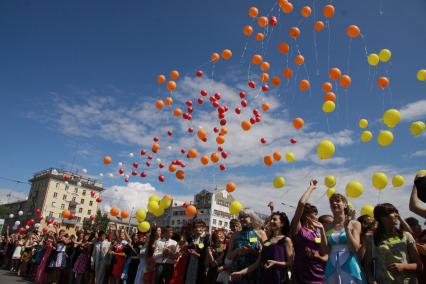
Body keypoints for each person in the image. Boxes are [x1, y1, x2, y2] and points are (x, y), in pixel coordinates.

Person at [365, 203, 423, 284]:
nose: (397, 215)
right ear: (382, 217)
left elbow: (419, 266)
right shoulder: (371, 239)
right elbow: (367, 265)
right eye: (392, 212)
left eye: (396, 212)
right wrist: (371, 280)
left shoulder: (406, 236)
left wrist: (404, 266)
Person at [231, 211, 294, 283]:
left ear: (282, 224)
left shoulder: (286, 240)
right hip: (264, 278)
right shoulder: (267, 242)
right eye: (271, 219)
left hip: (278, 278)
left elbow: (290, 263)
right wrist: (240, 272)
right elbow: (257, 263)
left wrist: (275, 263)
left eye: (274, 219)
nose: (271, 221)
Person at [322, 193, 366, 283]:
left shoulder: (354, 224)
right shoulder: (326, 226)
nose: (334, 203)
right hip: (332, 265)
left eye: (337, 201)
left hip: (350, 264)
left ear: (345, 204)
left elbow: (355, 248)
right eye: (331, 202)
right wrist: (321, 231)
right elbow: (325, 251)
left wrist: (346, 228)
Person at [290, 180, 326, 284]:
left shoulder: (317, 232)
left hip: (319, 271)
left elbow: (325, 252)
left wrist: (322, 230)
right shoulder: (298, 229)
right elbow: (301, 204)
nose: (317, 216)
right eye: (315, 213)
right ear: (307, 215)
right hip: (303, 272)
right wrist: (311, 187)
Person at [227, 209, 267, 284]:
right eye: (240, 217)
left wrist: (252, 251)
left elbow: (267, 252)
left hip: (252, 271)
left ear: (251, 218)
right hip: (236, 271)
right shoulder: (235, 235)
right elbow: (229, 256)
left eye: (245, 217)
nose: (242, 219)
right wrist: (237, 251)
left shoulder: (261, 233)